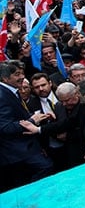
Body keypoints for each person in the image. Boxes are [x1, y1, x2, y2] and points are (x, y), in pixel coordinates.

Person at [0, 60, 53, 192]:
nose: (22, 77)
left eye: (22, 73)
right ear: (5, 78)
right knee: (45, 167)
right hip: (16, 151)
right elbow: (5, 127)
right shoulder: (2, 96)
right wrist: (31, 121)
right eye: (17, 74)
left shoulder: (11, 91)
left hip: (27, 145)